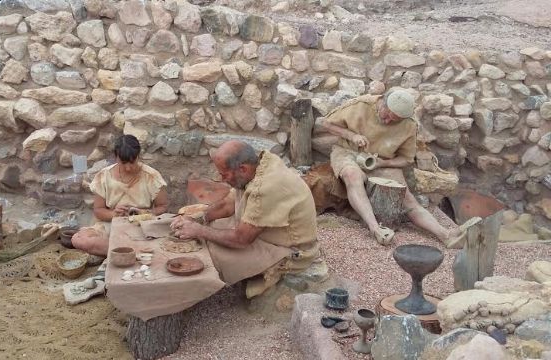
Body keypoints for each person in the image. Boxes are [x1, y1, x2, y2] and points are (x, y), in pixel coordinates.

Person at [323, 89, 478, 248]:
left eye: (394, 120)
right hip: (348, 152)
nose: (389, 121)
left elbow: (406, 159)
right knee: (352, 175)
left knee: (408, 199)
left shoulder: (408, 124)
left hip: (380, 160)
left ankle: (446, 235)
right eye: (387, 114)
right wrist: (352, 136)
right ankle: (376, 229)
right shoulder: (362, 105)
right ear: (382, 101)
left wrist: (382, 164)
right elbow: (326, 123)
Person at [170, 140, 319, 298]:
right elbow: (227, 205)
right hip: (263, 234)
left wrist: (199, 230)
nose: (222, 179)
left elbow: (241, 239)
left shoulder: (266, 187)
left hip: (288, 251)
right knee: (213, 225)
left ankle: (190, 292)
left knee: (212, 255)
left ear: (242, 169)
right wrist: (198, 219)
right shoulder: (258, 166)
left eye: (224, 174)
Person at [72, 134, 168, 256]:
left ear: (138, 156)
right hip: (112, 224)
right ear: (115, 157)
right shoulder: (104, 176)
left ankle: (121, 251)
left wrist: (143, 213)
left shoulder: (151, 176)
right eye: (123, 163)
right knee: (79, 239)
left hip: (142, 225)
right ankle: (134, 251)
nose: (128, 168)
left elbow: (163, 207)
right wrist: (114, 214)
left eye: (132, 162)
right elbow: (98, 210)